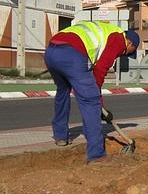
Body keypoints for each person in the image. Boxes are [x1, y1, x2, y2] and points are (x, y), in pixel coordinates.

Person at [44, 21, 139, 163]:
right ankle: (96, 155)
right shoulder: (118, 39)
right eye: (130, 52)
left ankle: (61, 136)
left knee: (62, 92)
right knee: (91, 102)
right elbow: (100, 69)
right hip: (72, 53)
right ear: (130, 44)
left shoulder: (107, 30)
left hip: (52, 51)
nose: (125, 54)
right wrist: (99, 103)